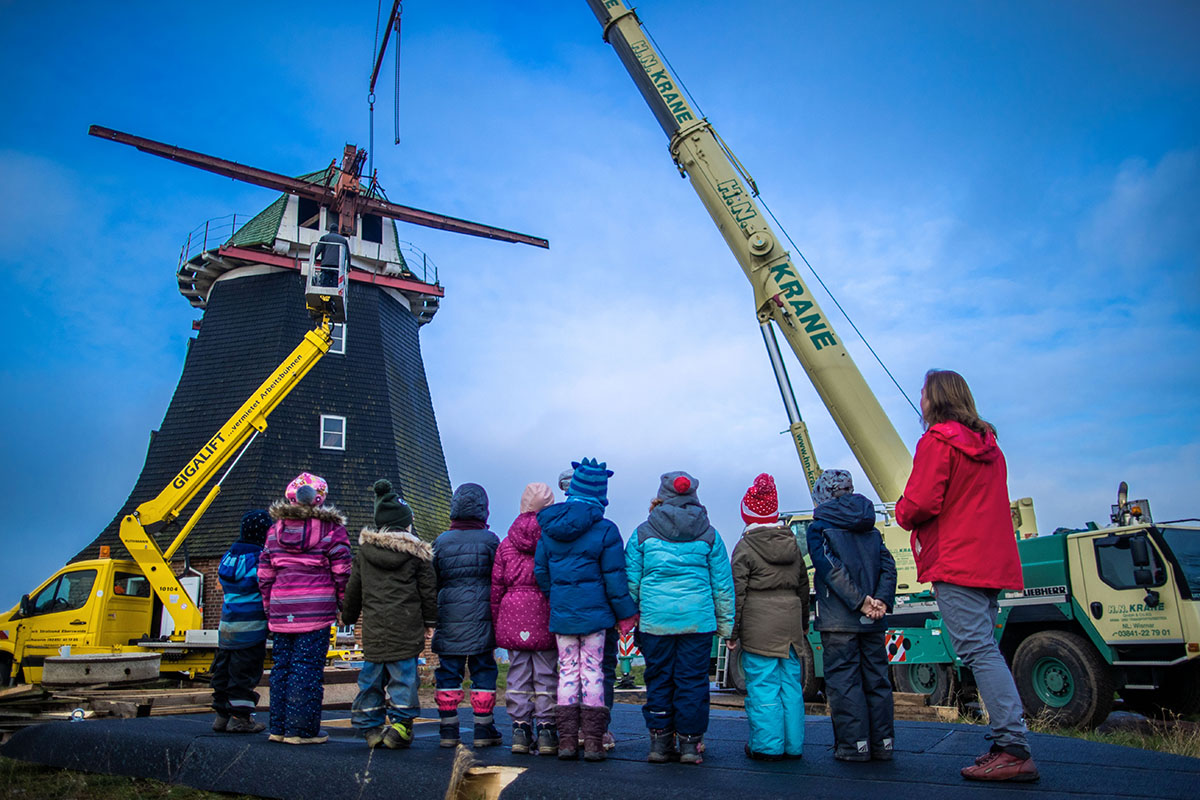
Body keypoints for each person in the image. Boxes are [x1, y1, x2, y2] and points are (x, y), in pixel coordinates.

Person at [895, 369, 1036, 782]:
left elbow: (920, 503)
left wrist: (902, 509)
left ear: (935, 399)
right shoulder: (990, 447)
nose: (919, 400)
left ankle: (1013, 746)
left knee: (978, 650)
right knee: (985, 647)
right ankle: (1005, 744)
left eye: (923, 394)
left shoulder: (937, 442)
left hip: (958, 560)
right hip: (990, 561)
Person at [625, 471, 734, 765]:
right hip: (697, 623)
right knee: (693, 682)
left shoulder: (642, 533)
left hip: (654, 623)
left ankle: (660, 743)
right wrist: (725, 625)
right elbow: (722, 584)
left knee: (659, 680)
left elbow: (631, 582)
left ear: (660, 497)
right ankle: (689, 744)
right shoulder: (710, 534)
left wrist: (630, 618)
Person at [536, 458, 637, 762]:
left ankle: (566, 741)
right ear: (601, 494)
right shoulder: (606, 530)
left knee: (567, 673)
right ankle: (593, 740)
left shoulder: (549, 526)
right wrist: (625, 613)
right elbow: (615, 579)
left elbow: (541, 571)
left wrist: (557, 596)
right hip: (596, 617)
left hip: (564, 614)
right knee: (593, 673)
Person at [806, 469, 897, 762]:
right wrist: (880, 601)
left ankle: (854, 747)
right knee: (877, 681)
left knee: (845, 682)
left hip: (839, 619)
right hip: (873, 619)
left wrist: (859, 602)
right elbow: (888, 566)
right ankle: (883, 744)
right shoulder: (870, 525)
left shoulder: (819, 528)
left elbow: (830, 569)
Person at [258, 472, 353, 745]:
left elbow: (264, 575)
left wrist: (269, 605)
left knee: (282, 667)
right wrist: (341, 603)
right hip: (315, 608)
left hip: (281, 608)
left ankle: (278, 727)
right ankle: (301, 731)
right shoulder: (332, 531)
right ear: (319, 500)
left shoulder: (274, 531)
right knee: (307, 668)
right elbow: (342, 570)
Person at [342, 480, 436, 750]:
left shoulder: (364, 554)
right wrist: (430, 622)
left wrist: (347, 617)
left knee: (371, 678)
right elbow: (428, 590)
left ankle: (371, 727)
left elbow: (354, 589)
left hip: (374, 630)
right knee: (403, 678)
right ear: (406, 525)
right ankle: (400, 727)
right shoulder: (418, 555)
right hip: (405, 629)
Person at [730, 473, 809, 761]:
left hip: (758, 626)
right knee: (790, 684)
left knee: (763, 684)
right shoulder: (792, 545)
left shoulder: (746, 547)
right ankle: (793, 746)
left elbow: (737, 593)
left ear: (747, 514)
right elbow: (803, 587)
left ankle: (767, 746)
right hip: (790, 625)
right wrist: (802, 625)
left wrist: (733, 633)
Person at [432, 483, 502, 748]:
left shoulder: (441, 541)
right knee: (483, 669)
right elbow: (499, 578)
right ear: (483, 510)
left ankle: (448, 729)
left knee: (448, 671)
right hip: (482, 617)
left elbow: (433, 579)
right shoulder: (490, 540)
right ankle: (483, 728)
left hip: (449, 617)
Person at [491, 482, 558, 755]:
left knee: (517, 674)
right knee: (546, 674)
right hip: (543, 611)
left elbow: (496, 587)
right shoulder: (551, 539)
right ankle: (545, 729)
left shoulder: (506, 543)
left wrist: (497, 620)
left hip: (513, 613)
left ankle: (520, 729)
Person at [210, 509, 272, 734]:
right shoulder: (260, 559)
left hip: (227, 627)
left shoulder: (227, 558)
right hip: (251, 628)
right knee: (244, 674)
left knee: (223, 671)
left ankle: (221, 715)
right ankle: (240, 718)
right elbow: (267, 587)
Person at [313, 220, 349, 289]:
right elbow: (347, 255)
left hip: (326, 265)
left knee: (325, 285)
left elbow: (318, 250)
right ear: (337, 230)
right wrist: (348, 267)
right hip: (338, 267)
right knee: (335, 286)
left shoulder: (324, 238)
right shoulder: (343, 240)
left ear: (330, 230)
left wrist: (313, 259)